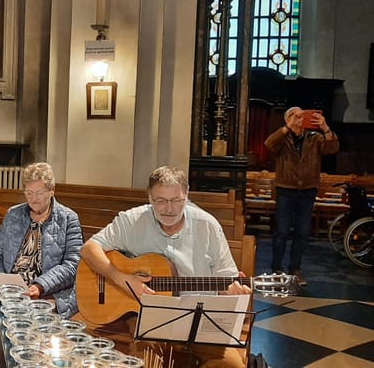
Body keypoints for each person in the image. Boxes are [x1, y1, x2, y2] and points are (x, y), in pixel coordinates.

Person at [80, 165, 251, 368]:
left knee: (232, 366)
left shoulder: (208, 226)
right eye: (160, 201)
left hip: (200, 320)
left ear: (186, 196)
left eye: (176, 200)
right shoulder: (132, 220)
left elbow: (227, 281)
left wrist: (233, 292)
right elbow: (89, 248)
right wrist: (121, 278)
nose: (169, 209)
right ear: (150, 198)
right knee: (144, 362)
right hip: (146, 315)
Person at [0, 162, 83, 318]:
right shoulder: (14, 214)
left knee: (29, 320)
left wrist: (40, 285)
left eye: (39, 193)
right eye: (29, 193)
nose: (33, 199)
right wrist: (2, 281)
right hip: (9, 290)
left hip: (47, 291)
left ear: (52, 191)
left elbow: (72, 265)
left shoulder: (68, 218)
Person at [264, 106, 339, 285]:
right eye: (294, 116)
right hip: (285, 190)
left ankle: (295, 269)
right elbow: (269, 144)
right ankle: (276, 268)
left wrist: (325, 127)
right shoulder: (282, 138)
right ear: (287, 119)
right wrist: (287, 127)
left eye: (301, 116)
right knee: (281, 232)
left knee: (302, 232)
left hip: (307, 191)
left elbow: (332, 148)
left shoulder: (314, 138)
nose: (299, 119)